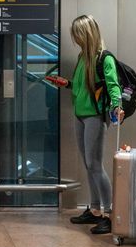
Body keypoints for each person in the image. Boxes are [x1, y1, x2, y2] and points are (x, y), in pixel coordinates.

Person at [46, 15, 122, 235]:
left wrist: (117, 106)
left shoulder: (104, 58)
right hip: (80, 116)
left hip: (95, 118)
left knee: (95, 164)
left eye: (78, 35)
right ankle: (95, 209)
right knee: (89, 164)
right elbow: (82, 87)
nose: (75, 39)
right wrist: (66, 83)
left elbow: (113, 86)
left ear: (87, 34)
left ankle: (109, 214)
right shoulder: (82, 58)